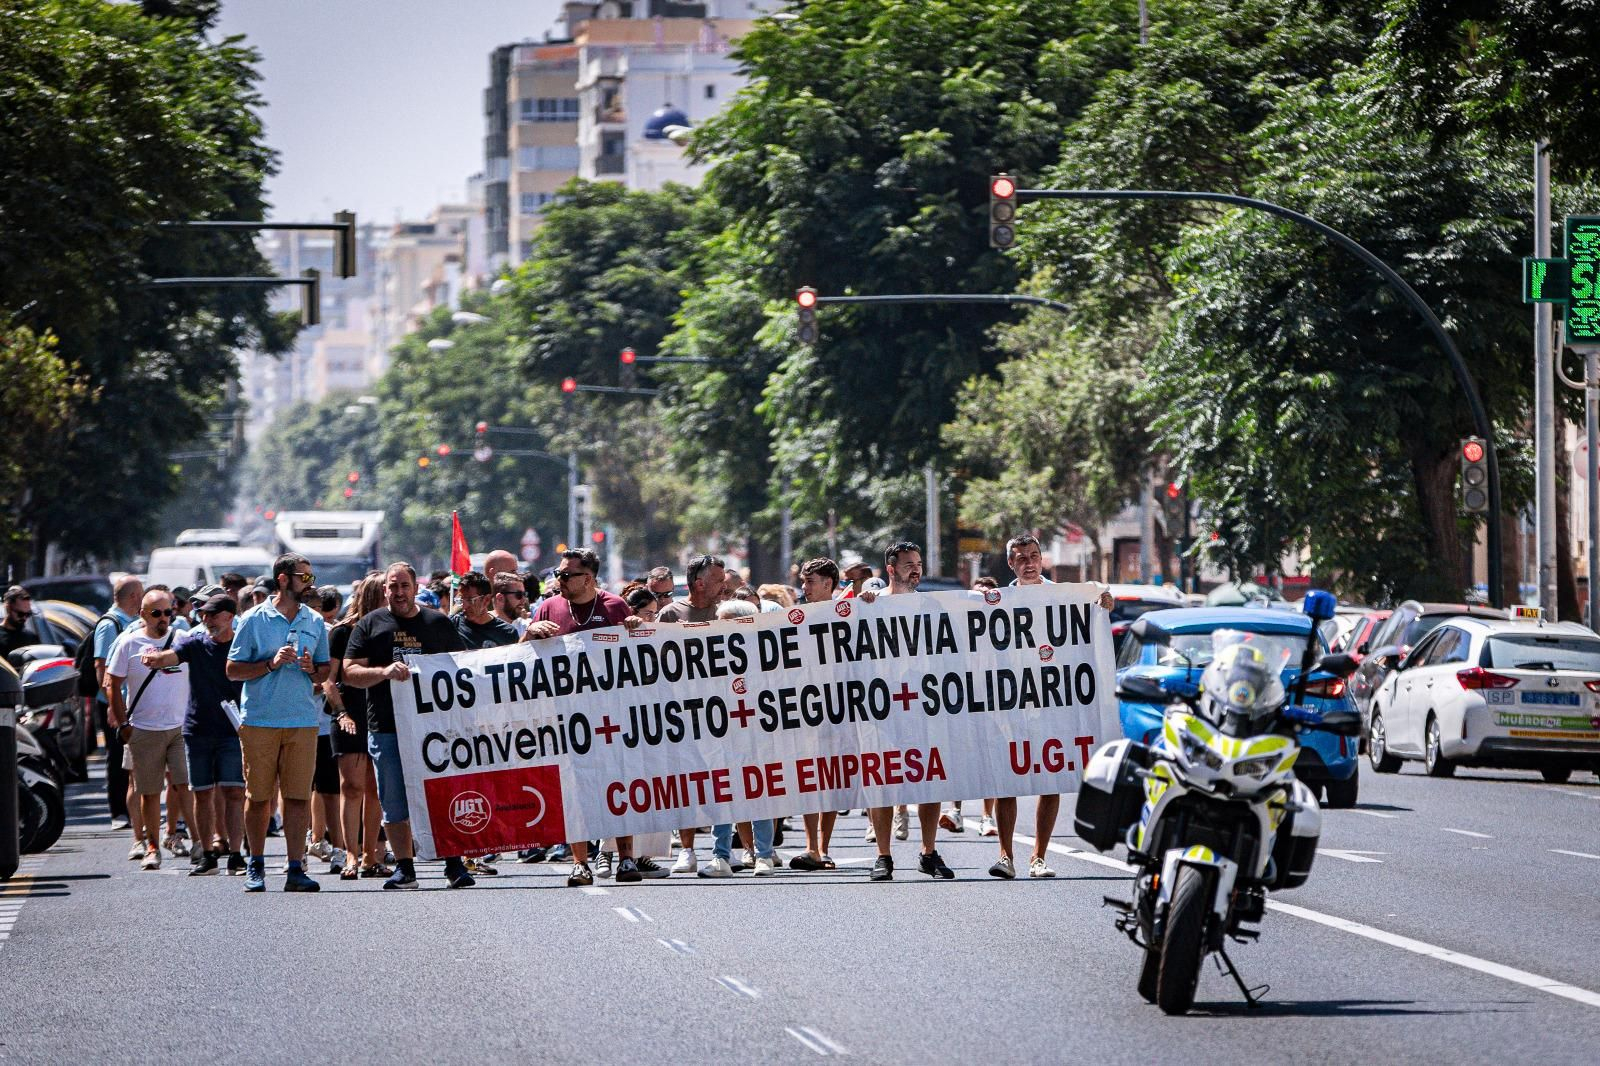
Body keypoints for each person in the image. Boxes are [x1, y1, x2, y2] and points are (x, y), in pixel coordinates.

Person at [521, 549, 661, 885]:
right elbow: (519, 656)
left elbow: (638, 659)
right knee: (575, 790)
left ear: (590, 578)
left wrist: (635, 628)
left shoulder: (613, 607)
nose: (561, 580)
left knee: (618, 784)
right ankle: (580, 862)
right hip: (567, 717)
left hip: (611, 715)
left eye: (568, 574)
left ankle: (625, 859)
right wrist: (530, 632)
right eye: (559, 573)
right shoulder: (549, 607)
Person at [341, 562, 475, 890]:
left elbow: (464, 668)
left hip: (433, 729)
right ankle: (405, 868)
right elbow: (348, 672)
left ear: (415, 588)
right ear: (384, 589)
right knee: (393, 800)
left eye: (404, 586)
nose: (399, 592)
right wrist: (383, 673)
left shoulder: (438, 623)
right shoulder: (370, 625)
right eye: (393, 586)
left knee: (442, 794)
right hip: (386, 727)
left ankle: (454, 865)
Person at [225, 553, 333, 893]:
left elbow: (326, 669)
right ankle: (255, 864)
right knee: (259, 797)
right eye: (304, 577)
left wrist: (312, 670)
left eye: (311, 577)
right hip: (260, 719)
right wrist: (270, 664)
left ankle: (295, 867)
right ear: (284, 579)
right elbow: (233, 670)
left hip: (302, 719)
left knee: (298, 797)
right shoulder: (254, 619)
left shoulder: (314, 621)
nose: (310, 584)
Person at [865, 541, 953, 883]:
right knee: (884, 780)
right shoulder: (871, 605)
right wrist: (859, 605)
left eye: (918, 563)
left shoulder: (931, 606)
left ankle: (928, 852)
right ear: (890, 569)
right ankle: (883, 856)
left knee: (929, 781)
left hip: (923, 708)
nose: (915, 569)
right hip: (883, 709)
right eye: (907, 564)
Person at [141, 592, 246, 876]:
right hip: (197, 730)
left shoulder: (241, 645)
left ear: (229, 616)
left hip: (232, 732)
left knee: (234, 792)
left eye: (212, 614)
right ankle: (207, 854)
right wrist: (154, 659)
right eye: (203, 614)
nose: (206, 619)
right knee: (202, 794)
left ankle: (236, 855)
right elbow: (171, 657)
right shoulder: (195, 643)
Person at [105, 589, 191, 871]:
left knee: (184, 785)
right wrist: (123, 724)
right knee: (149, 791)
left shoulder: (182, 639)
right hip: (144, 728)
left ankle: (193, 840)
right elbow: (112, 684)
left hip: (179, 727)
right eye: (156, 613)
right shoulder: (129, 643)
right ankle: (150, 846)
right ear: (142, 615)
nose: (163, 618)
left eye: (168, 612)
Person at [697, 598, 781, 878]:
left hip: (757, 734)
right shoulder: (707, 653)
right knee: (721, 793)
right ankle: (721, 856)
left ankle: (764, 856)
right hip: (720, 733)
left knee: (760, 792)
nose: (717, 626)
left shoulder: (765, 652)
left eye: (725, 621)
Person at [656, 554, 726, 873]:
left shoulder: (727, 613)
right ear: (699, 583)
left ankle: (722, 851)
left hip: (724, 712)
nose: (724, 586)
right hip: (682, 713)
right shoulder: (671, 614)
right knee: (687, 783)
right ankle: (686, 849)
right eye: (717, 580)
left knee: (723, 780)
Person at [324, 576, 386, 881]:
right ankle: (350, 853)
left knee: (376, 790)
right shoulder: (342, 632)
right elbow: (328, 679)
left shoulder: (390, 630)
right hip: (349, 714)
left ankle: (370, 855)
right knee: (352, 787)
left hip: (382, 715)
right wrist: (341, 713)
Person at [788, 559, 846, 872]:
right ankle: (810, 846)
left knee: (832, 779)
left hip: (839, 709)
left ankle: (824, 847)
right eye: (803, 582)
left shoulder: (847, 613)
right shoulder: (794, 616)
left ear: (828, 583)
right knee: (809, 778)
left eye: (810, 582)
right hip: (804, 709)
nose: (805, 588)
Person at [93, 575, 143, 835]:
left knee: (130, 757)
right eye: (141, 593)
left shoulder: (132, 623)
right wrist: (113, 705)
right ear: (134, 596)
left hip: (129, 700)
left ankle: (133, 809)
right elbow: (101, 667)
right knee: (116, 757)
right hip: (114, 702)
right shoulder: (110, 624)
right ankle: (118, 812)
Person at [456, 571, 519, 649]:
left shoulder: (507, 633)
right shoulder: (453, 626)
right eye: (461, 600)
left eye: (470, 600)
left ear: (486, 600)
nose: (464, 606)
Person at [0, 586, 40, 658]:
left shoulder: (31, 638)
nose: (24, 618)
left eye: (28, 614)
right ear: (8, 608)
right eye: (20, 614)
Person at [492, 571, 529, 636]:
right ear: (500, 598)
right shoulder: (482, 629)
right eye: (519, 595)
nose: (524, 600)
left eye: (524, 594)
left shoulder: (527, 627)